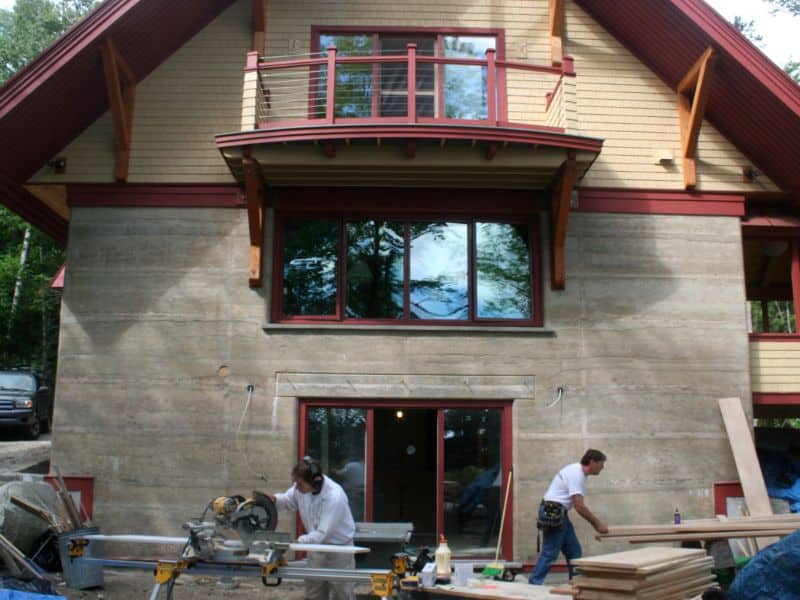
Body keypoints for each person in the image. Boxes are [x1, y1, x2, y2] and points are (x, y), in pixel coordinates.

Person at [266, 457, 356, 600]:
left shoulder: (334, 497)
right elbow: (288, 500)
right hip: (315, 549)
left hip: (339, 551)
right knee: (314, 594)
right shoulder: (301, 489)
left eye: (299, 483)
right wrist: (273, 501)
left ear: (315, 481)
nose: (296, 487)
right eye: (295, 482)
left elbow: (322, 534)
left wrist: (296, 542)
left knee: (343, 594)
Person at [528, 449, 608, 585]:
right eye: (601, 463)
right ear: (592, 462)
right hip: (553, 512)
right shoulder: (577, 474)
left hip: (558, 512)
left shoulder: (578, 472)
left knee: (574, 551)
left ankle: (576, 583)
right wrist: (597, 524)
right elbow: (579, 506)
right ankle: (533, 584)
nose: (603, 467)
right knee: (550, 553)